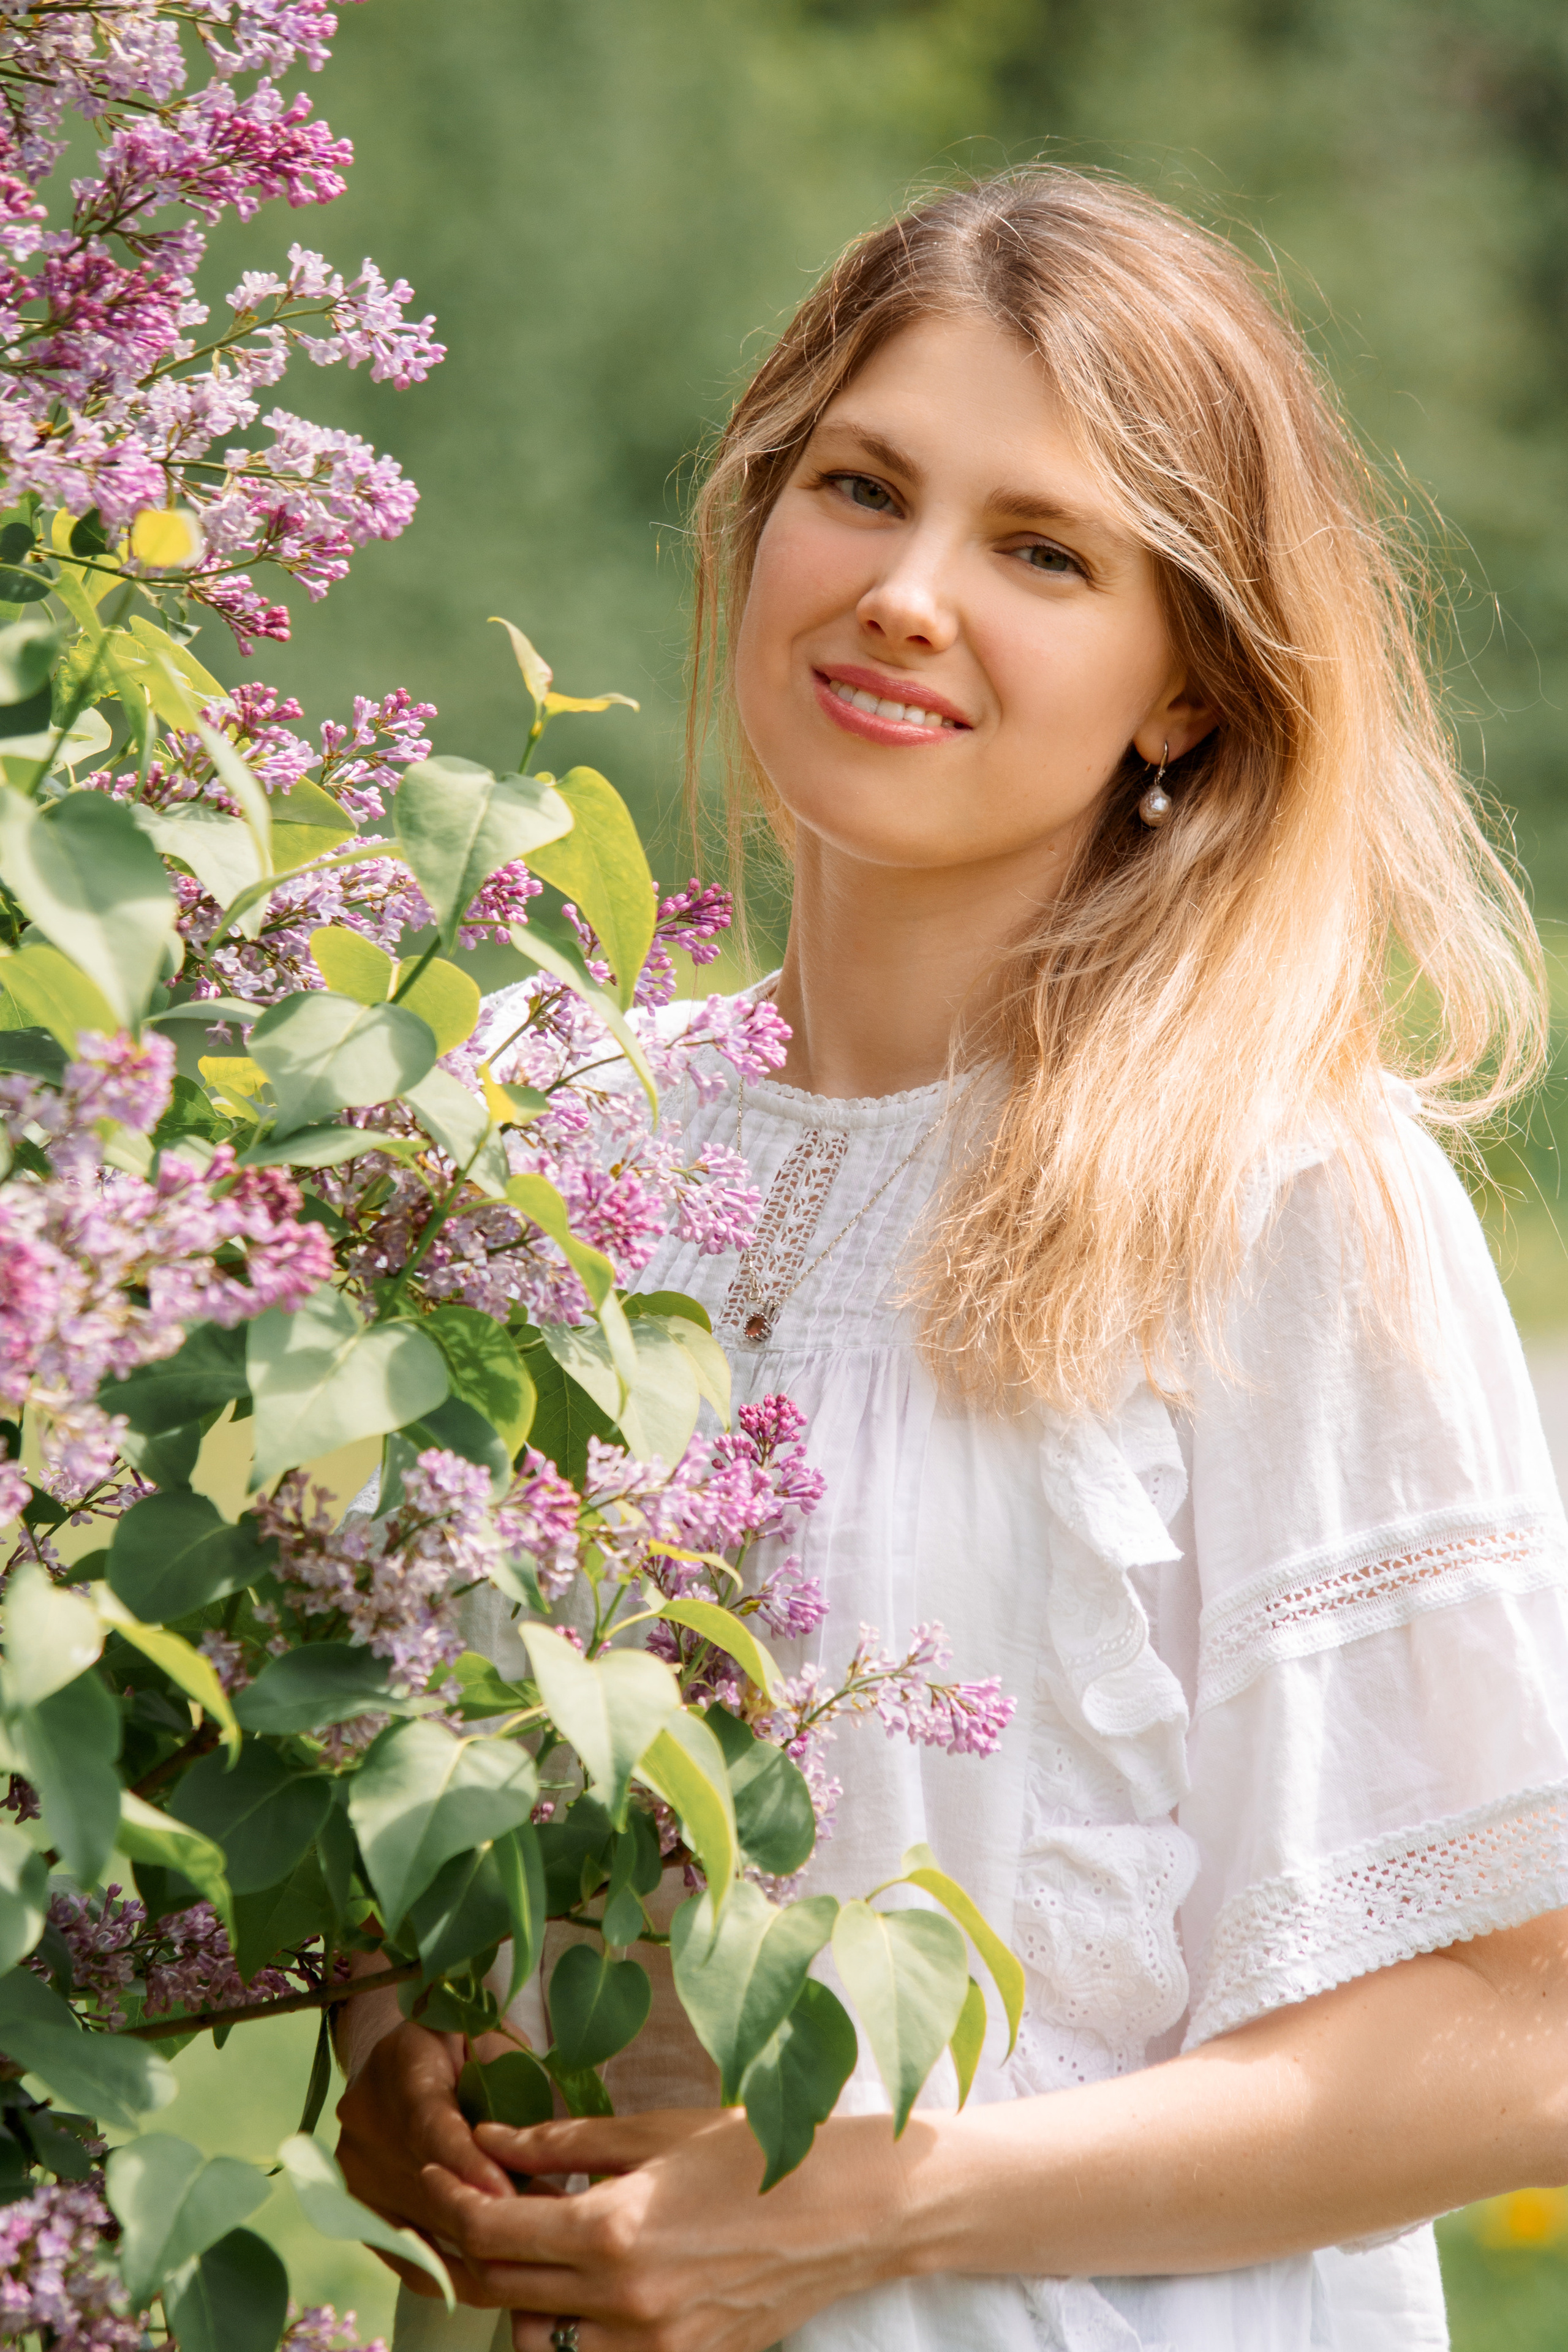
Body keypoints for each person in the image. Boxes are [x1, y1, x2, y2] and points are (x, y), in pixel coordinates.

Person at [335, 168, 1568, 2352]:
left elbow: (1516, 2031)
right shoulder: (532, 1117)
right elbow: (390, 1761)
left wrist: (881, 2204)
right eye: (861, 486)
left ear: (1184, 684)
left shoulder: (1283, 1191)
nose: (907, 594)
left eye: (1041, 550)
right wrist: (387, 2039)